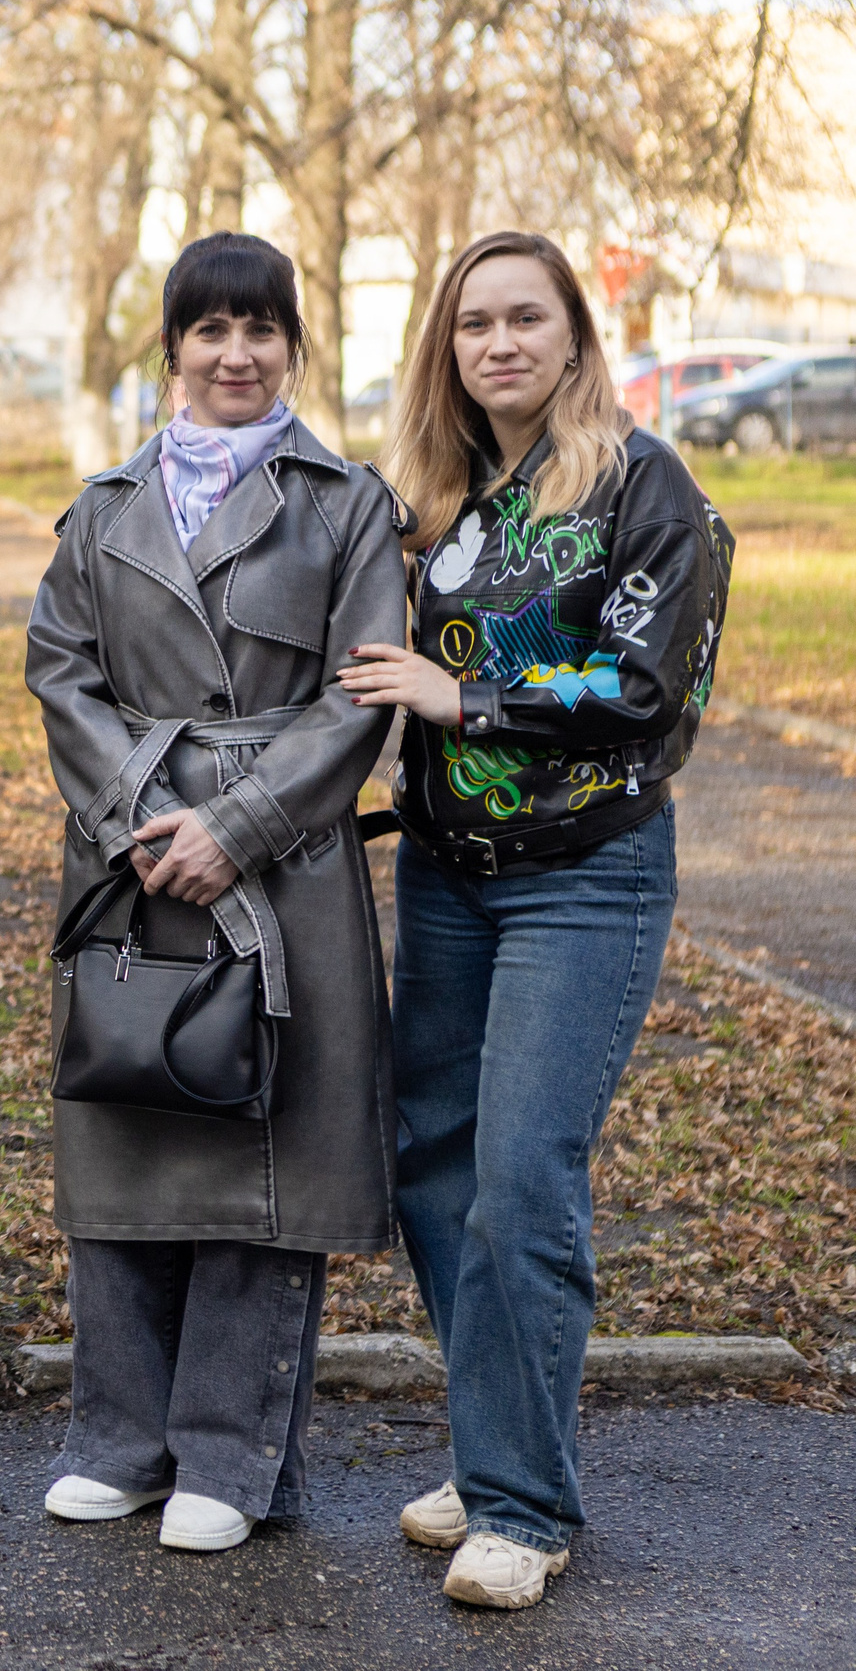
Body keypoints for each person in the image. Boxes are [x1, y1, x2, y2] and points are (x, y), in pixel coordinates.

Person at [341, 231, 732, 1610]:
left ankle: (521, 1505)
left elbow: (648, 687)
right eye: (473, 325)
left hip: (588, 875)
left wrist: (471, 701)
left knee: (518, 1182)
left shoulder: (643, 485)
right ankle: (502, 1440)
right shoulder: (437, 497)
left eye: (526, 319)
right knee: (429, 1166)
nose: (498, 343)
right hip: (447, 876)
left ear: (574, 336)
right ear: (445, 349)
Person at [25, 231, 408, 1555]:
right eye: (210, 329)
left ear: (293, 347)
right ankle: (120, 1441)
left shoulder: (348, 502)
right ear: (174, 348)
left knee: (262, 1159)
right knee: (129, 1124)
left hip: (282, 859)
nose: (236, 353)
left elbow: (363, 692)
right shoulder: (102, 504)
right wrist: (140, 817)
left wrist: (236, 825)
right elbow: (59, 671)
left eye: (261, 329)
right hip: (130, 855)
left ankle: (234, 1457)